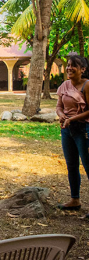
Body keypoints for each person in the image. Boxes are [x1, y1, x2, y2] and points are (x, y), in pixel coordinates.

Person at [56, 55, 89, 218]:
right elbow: (59, 106)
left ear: (82, 69)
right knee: (71, 165)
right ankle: (75, 199)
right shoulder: (64, 85)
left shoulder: (87, 85)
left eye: (73, 66)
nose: (69, 68)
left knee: (88, 166)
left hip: (83, 130)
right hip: (66, 130)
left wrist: (71, 119)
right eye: (68, 65)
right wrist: (62, 115)